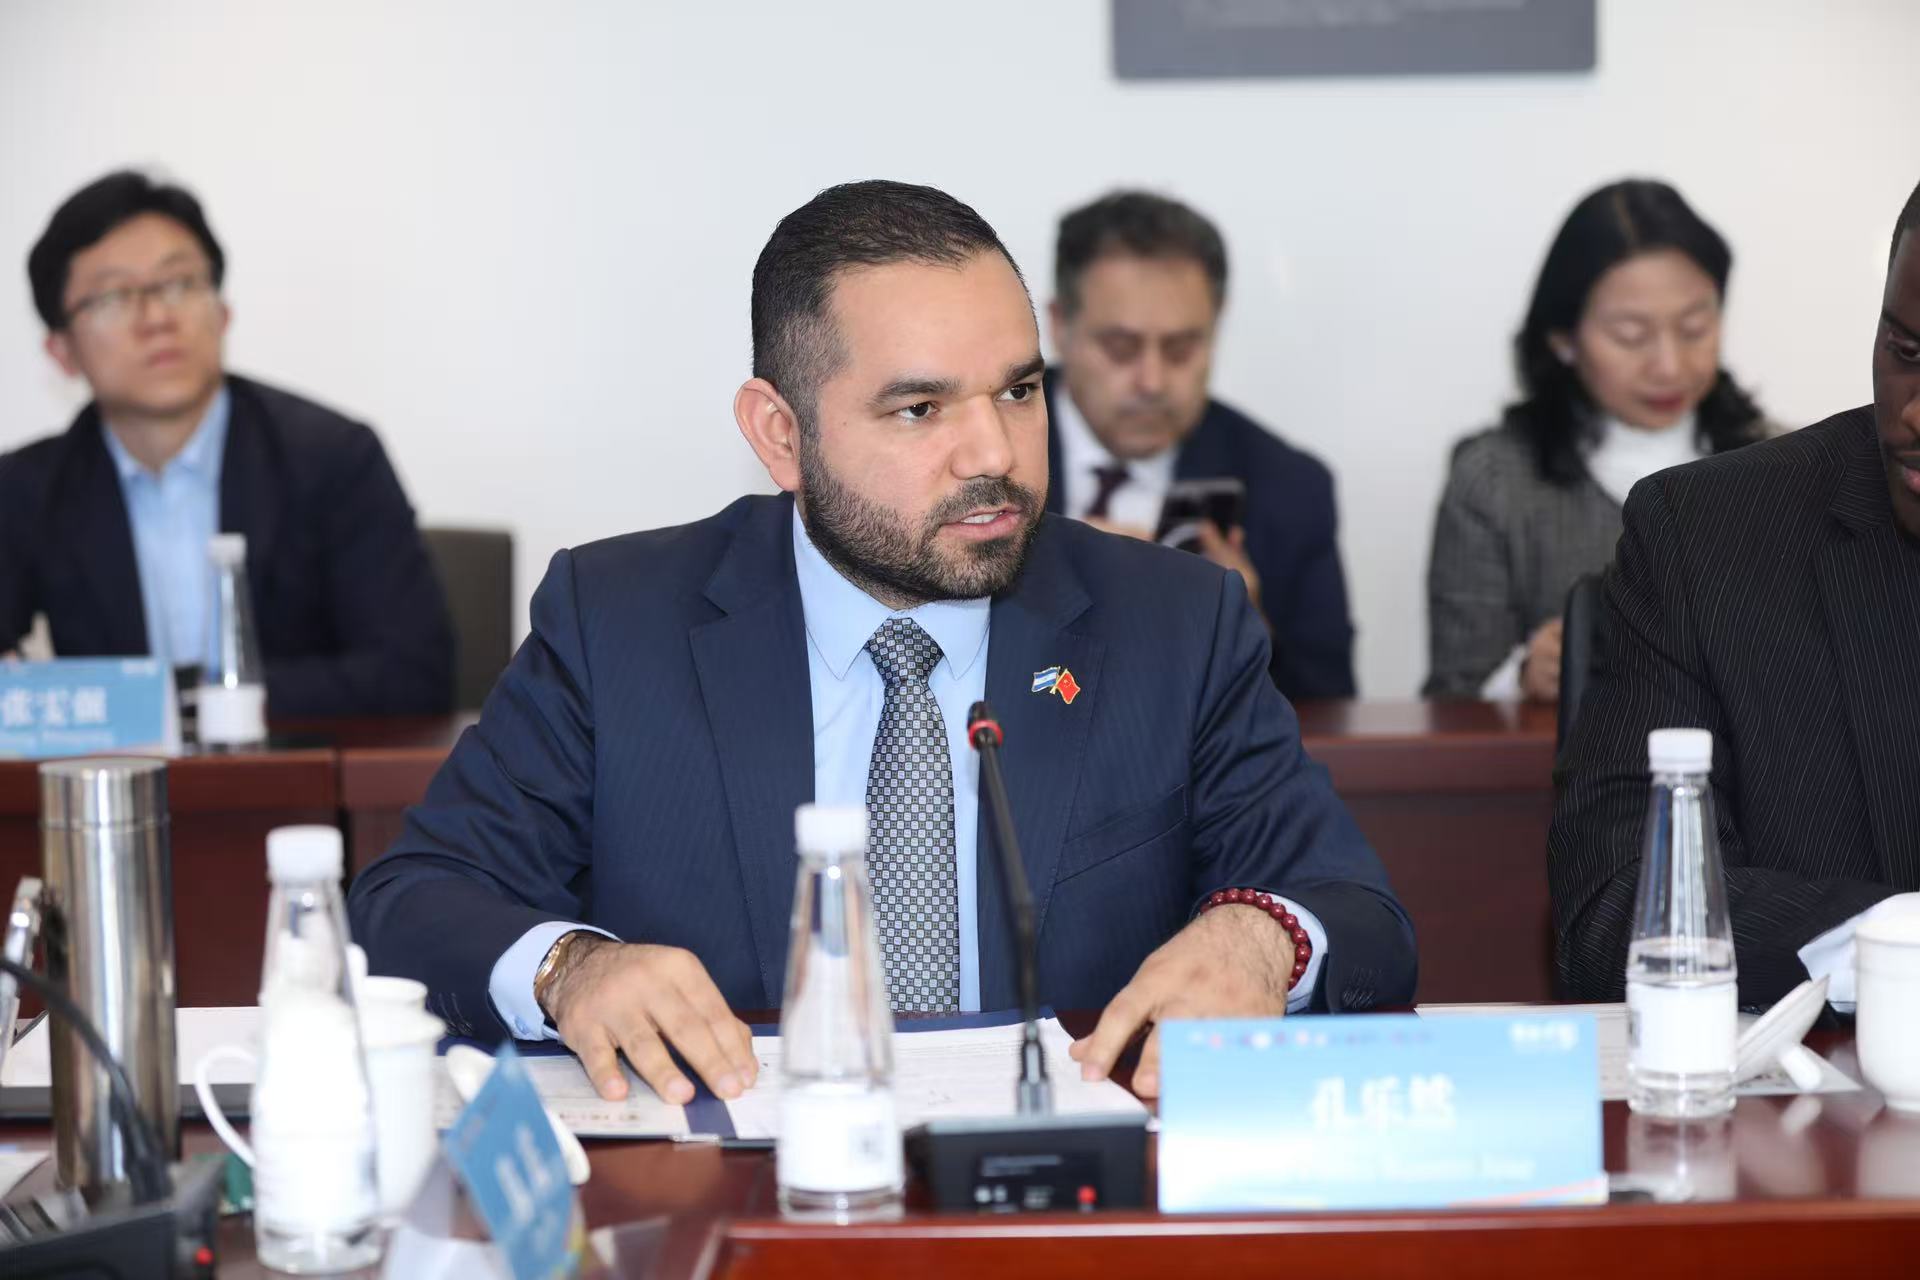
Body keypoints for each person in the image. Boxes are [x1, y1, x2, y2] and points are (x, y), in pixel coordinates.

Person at [349, 180, 1415, 1105]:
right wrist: (571, 969)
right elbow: (414, 898)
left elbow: (1359, 915)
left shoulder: (1172, 623)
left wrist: (1263, 935)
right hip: (744, 1185)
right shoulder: (619, 621)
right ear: (781, 434)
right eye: (919, 409)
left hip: (1065, 1199)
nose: (993, 452)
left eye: (1019, 390)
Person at [1550, 178, 1920, 1010]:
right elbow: (1618, 909)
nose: (1915, 415)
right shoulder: (1707, 538)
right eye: (1907, 352)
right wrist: (1894, 942)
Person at [0, 171, 452, 717]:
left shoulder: (334, 459)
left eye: (178, 284)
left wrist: (185, 700)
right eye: (114, 297)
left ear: (222, 312)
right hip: (114, 777)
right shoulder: (25, 491)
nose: (157, 318)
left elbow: (414, 672)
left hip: (292, 768)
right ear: (62, 351)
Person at [1425, 180, 1772, 702]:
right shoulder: (1494, 480)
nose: (1669, 365)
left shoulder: (1780, 462)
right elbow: (1452, 696)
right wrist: (1521, 677)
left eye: (1695, 328)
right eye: (1631, 335)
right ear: (1563, 339)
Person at [1044, 191, 1356, 701]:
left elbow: (1330, 714)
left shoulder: (1288, 489)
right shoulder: (977, 455)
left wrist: (1244, 631)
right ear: (1060, 326)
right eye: (1120, 348)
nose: (1151, 381)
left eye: (1181, 349)